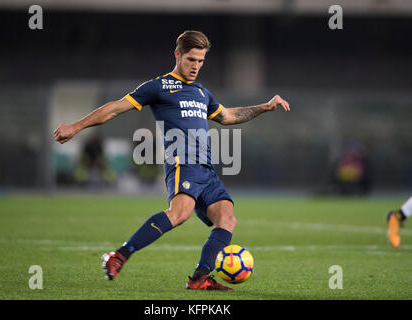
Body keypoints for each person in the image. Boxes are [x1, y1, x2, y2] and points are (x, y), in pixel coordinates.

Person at [54, 30, 290, 290]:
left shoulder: (202, 92)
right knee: (180, 214)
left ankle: (200, 277)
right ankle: (119, 255)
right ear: (177, 54)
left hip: (206, 169)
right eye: (191, 59)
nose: (196, 66)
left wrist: (264, 107)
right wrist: (76, 126)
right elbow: (114, 108)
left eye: (201, 61)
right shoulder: (158, 87)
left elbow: (228, 116)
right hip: (183, 163)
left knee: (227, 217)